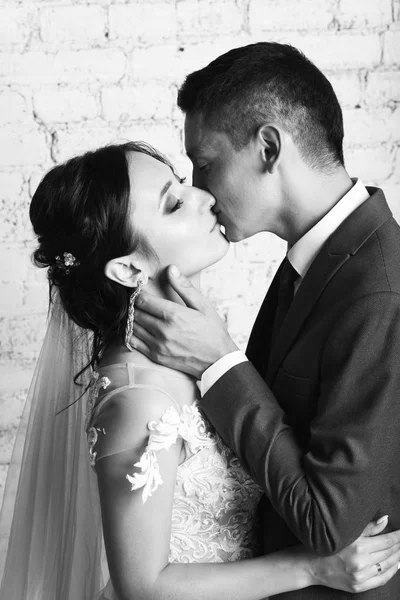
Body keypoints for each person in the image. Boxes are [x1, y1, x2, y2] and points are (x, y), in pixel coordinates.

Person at [0, 141, 399, 600]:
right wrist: (310, 568)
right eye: (175, 203)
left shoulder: (190, 353)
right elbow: (143, 585)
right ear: (129, 269)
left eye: (186, 185)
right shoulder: (137, 398)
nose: (206, 198)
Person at [128, 42, 400, 599]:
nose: (199, 190)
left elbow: (330, 525)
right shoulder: (315, 257)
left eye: (205, 163)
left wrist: (220, 362)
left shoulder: (378, 290)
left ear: (268, 147)